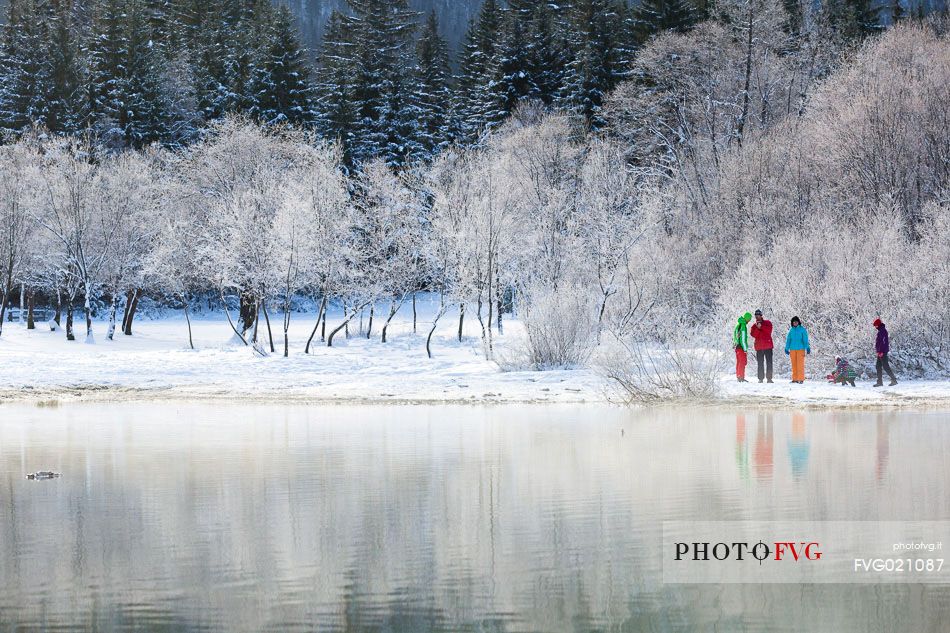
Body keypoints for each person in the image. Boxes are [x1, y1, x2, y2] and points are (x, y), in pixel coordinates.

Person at [784, 316, 810, 383]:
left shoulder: (802, 330)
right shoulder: (791, 330)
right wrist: (786, 348)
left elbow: (805, 339)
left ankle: (801, 379)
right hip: (792, 349)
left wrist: (807, 347)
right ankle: (795, 379)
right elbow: (788, 340)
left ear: (798, 322)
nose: (795, 323)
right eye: (793, 322)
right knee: (794, 364)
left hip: (800, 349)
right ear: (792, 323)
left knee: (800, 365)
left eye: (796, 321)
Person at [750, 309, 774, 383]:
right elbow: (753, 335)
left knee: (769, 362)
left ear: (761, 315)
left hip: (768, 346)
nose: (757, 317)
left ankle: (769, 379)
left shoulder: (767, 323)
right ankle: (760, 378)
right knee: (760, 363)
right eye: (756, 316)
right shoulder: (754, 326)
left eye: (758, 315)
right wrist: (757, 328)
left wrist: (761, 327)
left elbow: (769, 331)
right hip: (759, 347)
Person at [873, 318, 898, 387]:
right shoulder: (880, 331)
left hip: (882, 352)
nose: (875, 327)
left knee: (885, 366)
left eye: (875, 325)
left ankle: (894, 380)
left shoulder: (883, 331)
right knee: (878, 366)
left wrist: (881, 351)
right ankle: (880, 382)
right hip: (880, 352)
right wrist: (878, 351)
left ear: (878, 324)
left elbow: (884, 342)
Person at [733, 312, 752, 382]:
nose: (749, 321)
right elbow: (743, 338)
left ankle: (738, 376)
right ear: (747, 319)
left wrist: (734, 344)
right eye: (749, 319)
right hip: (741, 347)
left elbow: (734, 336)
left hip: (737, 347)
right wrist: (745, 349)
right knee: (743, 362)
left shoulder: (738, 325)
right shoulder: (743, 326)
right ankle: (741, 377)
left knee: (739, 362)